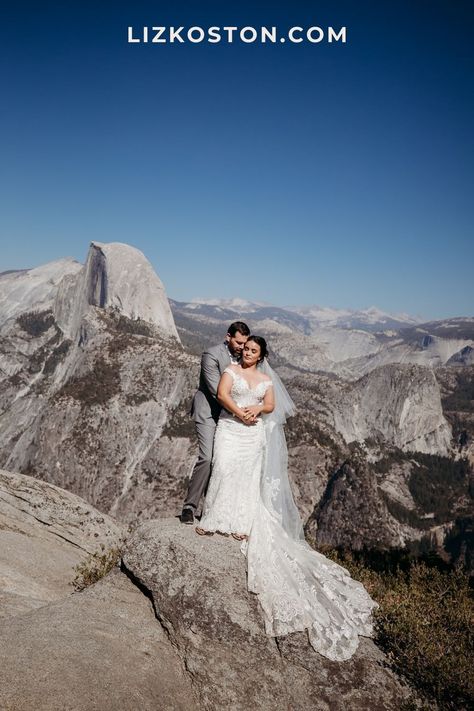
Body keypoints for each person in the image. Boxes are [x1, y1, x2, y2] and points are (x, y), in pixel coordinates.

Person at [196, 335, 378, 662]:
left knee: (246, 477)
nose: (247, 353)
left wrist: (255, 410)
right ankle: (215, 518)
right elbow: (222, 395)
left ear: (262, 355)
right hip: (231, 429)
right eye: (245, 349)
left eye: (253, 350)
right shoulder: (231, 371)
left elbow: (270, 405)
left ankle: (239, 521)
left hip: (251, 434)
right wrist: (240, 412)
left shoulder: (265, 379)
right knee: (223, 468)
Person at [180, 321, 250, 525]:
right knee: (207, 457)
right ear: (228, 337)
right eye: (238, 342)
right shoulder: (211, 355)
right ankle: (189, 507)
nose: (241, 347)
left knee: (226, 461)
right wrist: (240, 413)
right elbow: (216, 391)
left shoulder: (244, 358)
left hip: (230, 416)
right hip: (209, 412)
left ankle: (213, 508)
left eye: (244, 344)